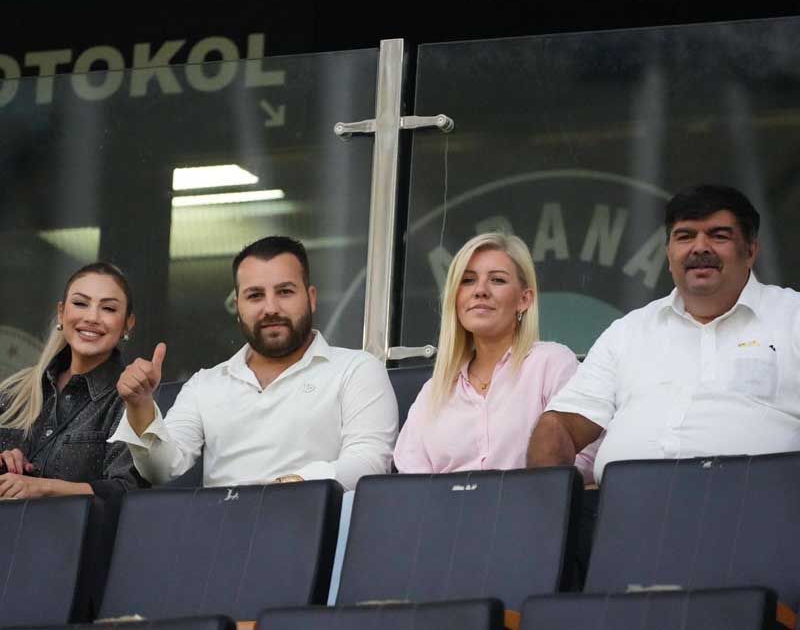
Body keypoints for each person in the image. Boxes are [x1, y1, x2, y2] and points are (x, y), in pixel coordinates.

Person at [528, 184, 800, 484]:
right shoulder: (628, 331)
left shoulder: (792, 317)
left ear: (750, 251)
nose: (700, 248)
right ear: (668, 254)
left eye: (718, 236)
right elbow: (560, 426)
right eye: (685, 236)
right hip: (628, 507)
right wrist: (548, 503)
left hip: (759, 504)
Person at [110, 236, 398, 491]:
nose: (271, 308)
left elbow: (369, 461)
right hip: (221, 529)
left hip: (315, 527)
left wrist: (290, 487)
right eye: (255, 295)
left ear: (311, 298)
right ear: (238, 306)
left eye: (285, 292)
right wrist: (140, 405)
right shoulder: (205, 384)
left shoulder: (356, 369)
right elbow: (161, 470)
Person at [394, 232, 598, 482]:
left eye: (497, 280)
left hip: (530, 504)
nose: (480, 290)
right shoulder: (433, 390)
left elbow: (588, 457)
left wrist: (537, 488)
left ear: (524, 300)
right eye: (468, 280)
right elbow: (410, 484)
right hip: (443, 507)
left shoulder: (551, 364)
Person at [0, 262, 146, 500]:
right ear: (61, 312)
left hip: (75, 527)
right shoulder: (14, 391)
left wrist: (43, 487)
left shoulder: (130, 400)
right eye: (80, 303)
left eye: (108, 308)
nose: (92, 317)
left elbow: (126, 491)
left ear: (127, 324)